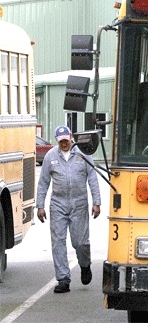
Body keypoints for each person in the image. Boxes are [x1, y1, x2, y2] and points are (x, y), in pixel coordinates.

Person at [36, 125, 101, 293]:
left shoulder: (83, 153)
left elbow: (92, 178)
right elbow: (43, 182)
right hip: (58, 204)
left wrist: (97, 202)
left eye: (66, 140)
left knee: (80, 242)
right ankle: (63, 279)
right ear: (57, 141)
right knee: (58, 242)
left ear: (71, 137)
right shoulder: (51, 156)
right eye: (61, 141)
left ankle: (85, 265)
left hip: (79, 204)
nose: (64, 144)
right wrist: (40, 205)